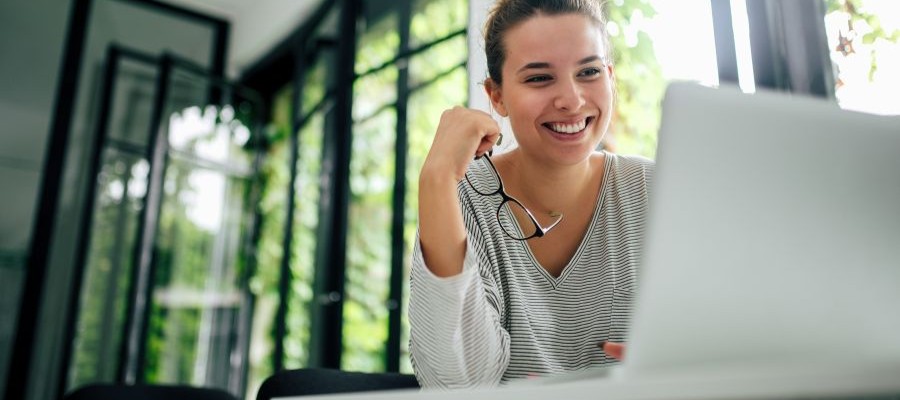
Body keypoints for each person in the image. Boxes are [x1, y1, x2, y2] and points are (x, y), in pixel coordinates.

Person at [408, 0, 654, 389]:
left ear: (609, 76)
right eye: (539, 78)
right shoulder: (464, 200)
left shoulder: (654, 191)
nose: (571, 100)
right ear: (497, 96)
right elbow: (456, 386)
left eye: (588, 71)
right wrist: (436, 179)